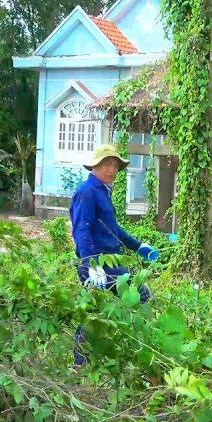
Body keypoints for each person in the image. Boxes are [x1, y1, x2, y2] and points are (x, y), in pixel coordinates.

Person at [70, 143, 159, 364]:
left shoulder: (102, 191)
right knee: (97, 309)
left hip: (111, 261)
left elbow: (113, 229)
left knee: (101, 310)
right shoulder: (87, 192)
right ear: (95, 166)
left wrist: (138, 247)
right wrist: (92, 265)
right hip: (99, 263)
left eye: (115, 165)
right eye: (106, 164)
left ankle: (110, 353)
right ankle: (81, 362)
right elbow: (82, 230)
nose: (112, 170)